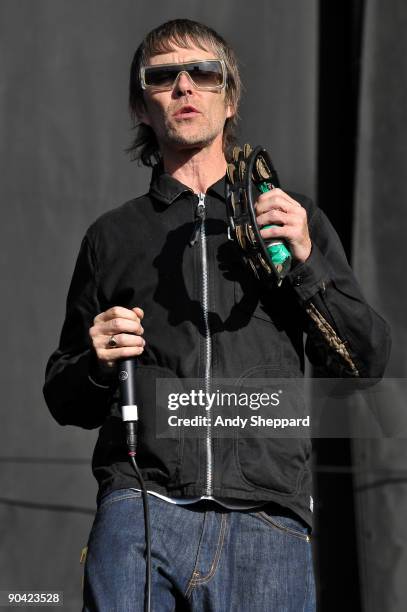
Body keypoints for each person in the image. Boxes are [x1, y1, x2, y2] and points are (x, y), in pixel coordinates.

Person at [43, 18, 391, 612]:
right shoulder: (112, 236)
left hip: (267, 517)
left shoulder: (288, 217)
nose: (185, 86)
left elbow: (365, 361)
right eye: (164, 77)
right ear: (140, 106)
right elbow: (63, 394)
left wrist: (306, 265)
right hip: (143, 506)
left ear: (229, 98)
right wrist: (96, 361)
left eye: (203, 73)